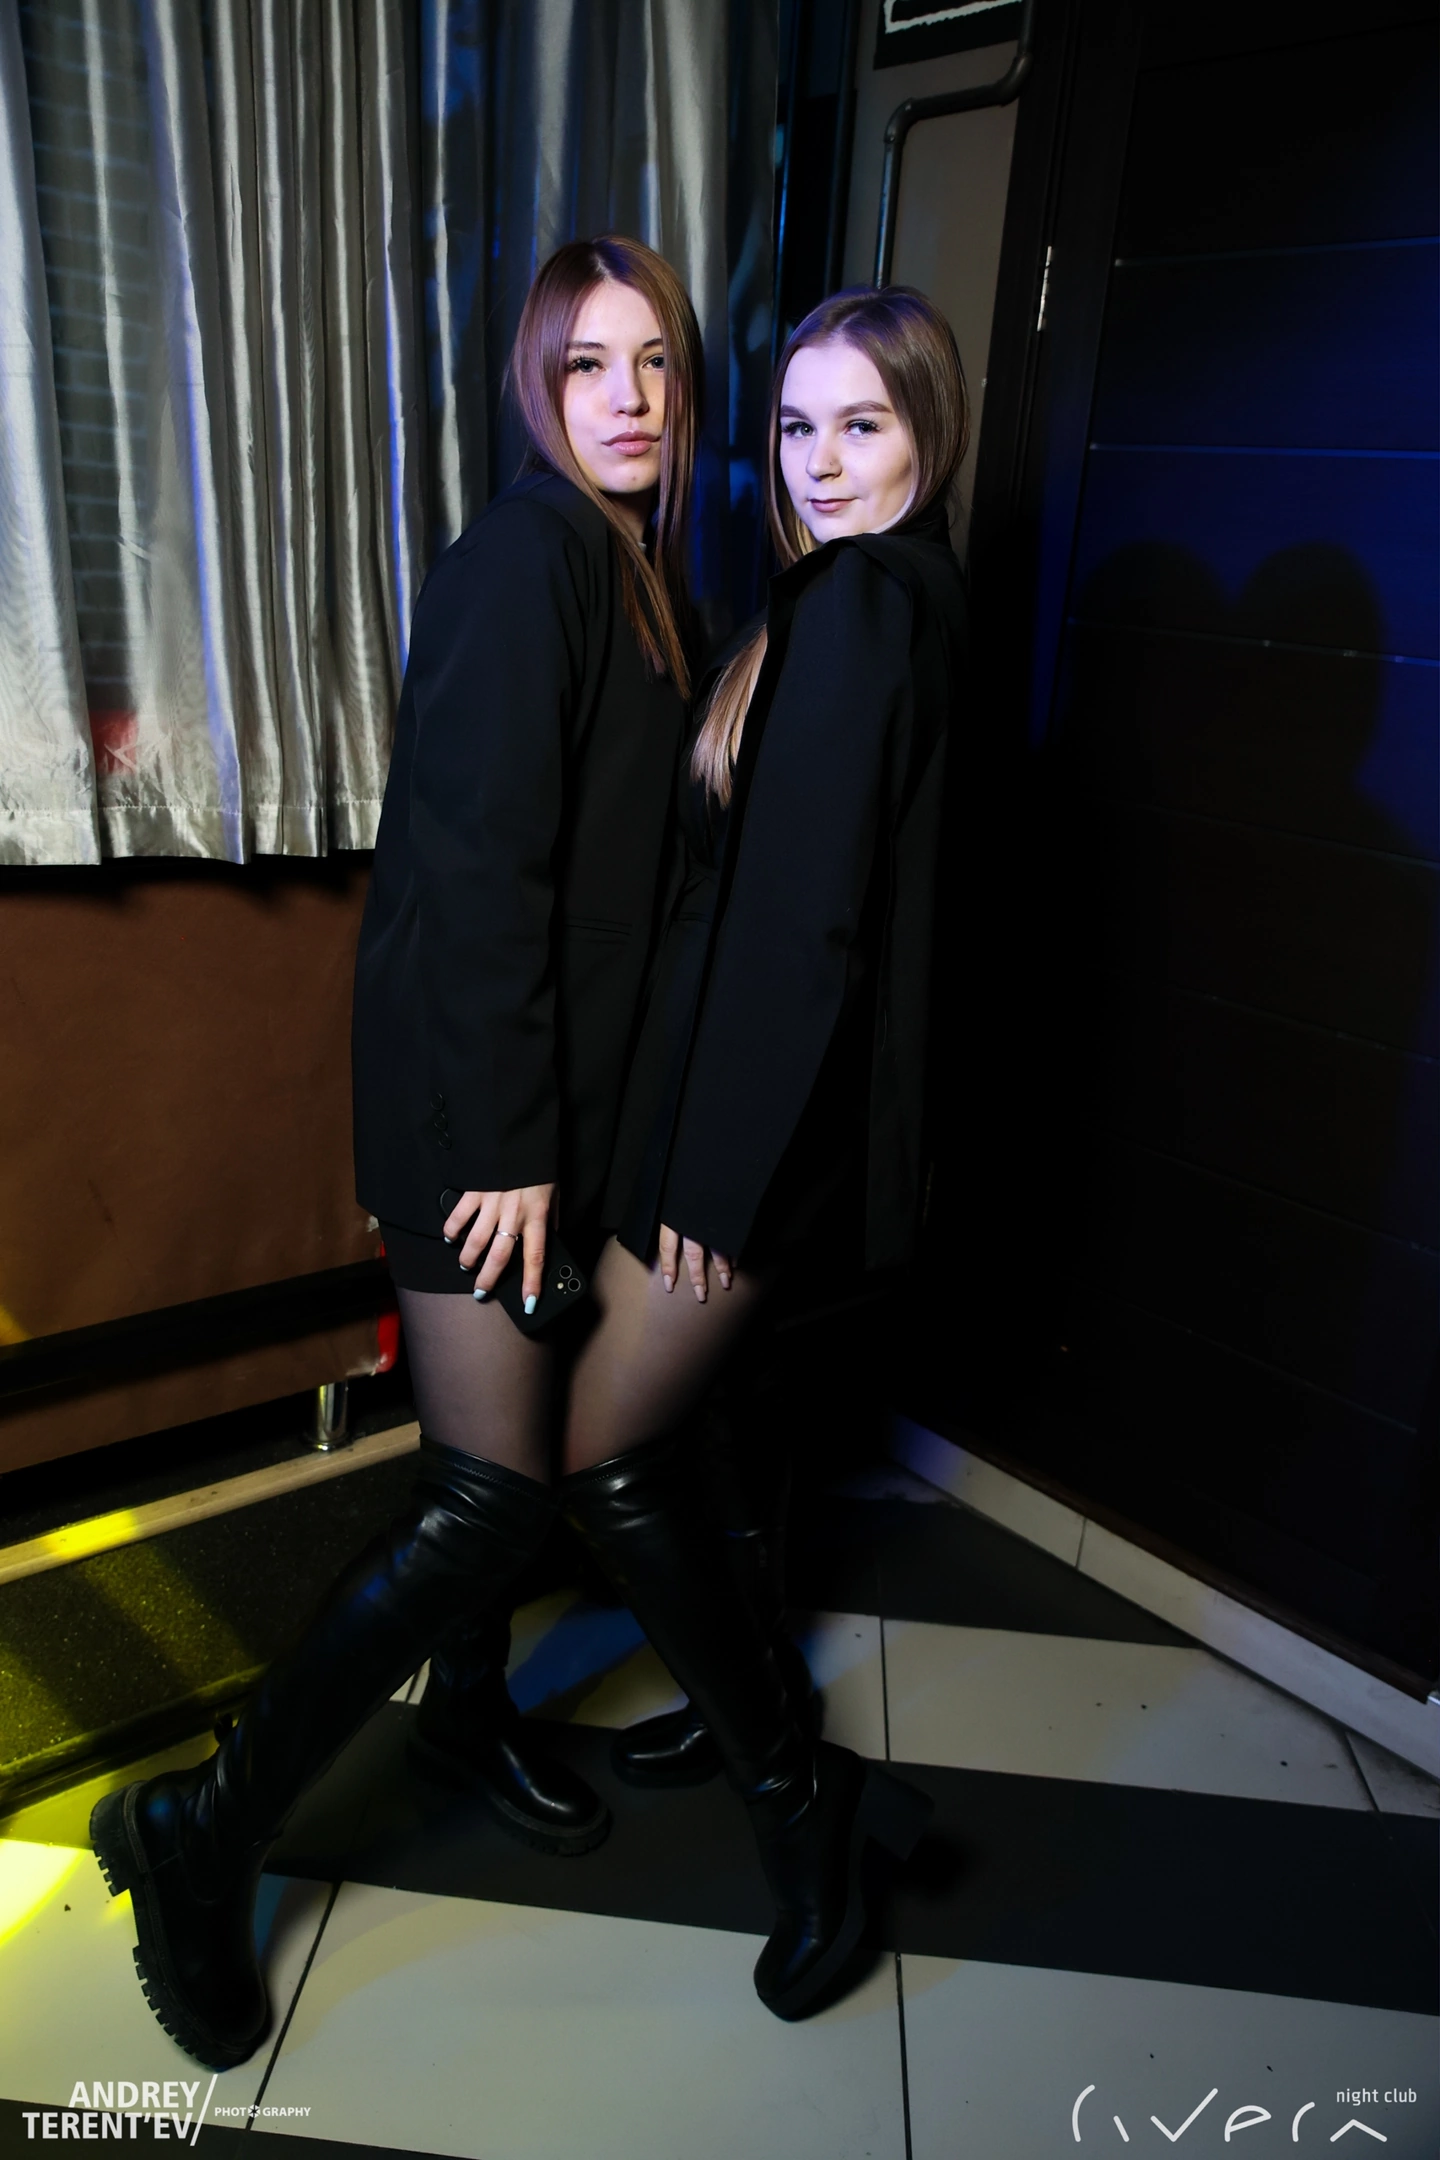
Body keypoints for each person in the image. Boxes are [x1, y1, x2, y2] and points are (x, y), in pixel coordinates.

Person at [90, 235, 703, 2071]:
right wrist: (508, 1145)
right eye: (588, 365)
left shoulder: (630, 564)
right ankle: (201, 1832)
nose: (628, 398)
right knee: (493, 1496)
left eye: (656, 361)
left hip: (539, 1112)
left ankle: (461, 1712)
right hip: (482, 1119)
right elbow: (482, 876)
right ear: (537, 385)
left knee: (495, 1462)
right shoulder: (532, 557)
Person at [542, 284, 972, 2020]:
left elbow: (806, 934)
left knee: (599, 1444)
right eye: (797, 427)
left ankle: (804, 1809)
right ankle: (741, 1716)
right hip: (757, 1116)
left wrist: (711, 1184)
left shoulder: (863, 602)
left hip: (752, 1137)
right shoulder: (884, 594)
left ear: (930, 432)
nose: (821, 461)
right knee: (711, 1429)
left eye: (864, 424)